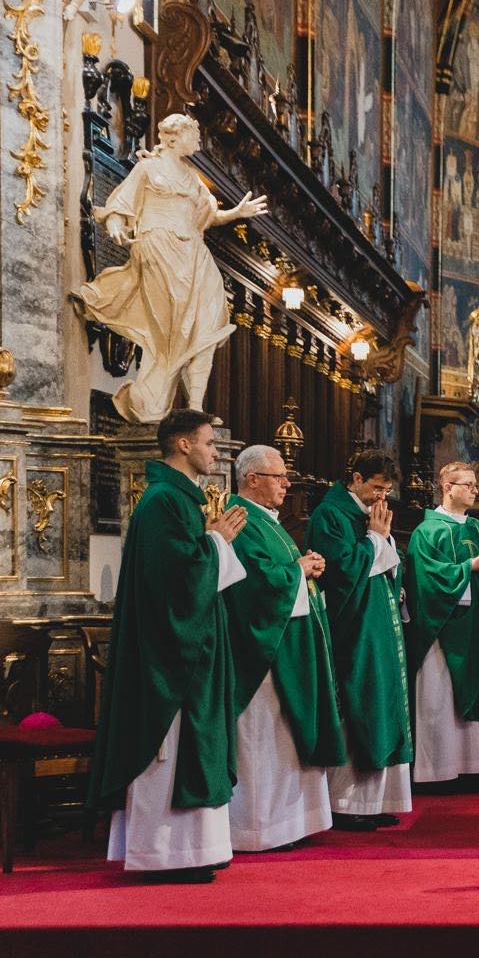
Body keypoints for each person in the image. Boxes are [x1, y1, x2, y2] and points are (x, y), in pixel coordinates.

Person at [91, 409, 249, 882]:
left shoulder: (181, 499)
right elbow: (174, 579)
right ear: (182, 445)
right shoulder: (163, 501)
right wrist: (216, 542)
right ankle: (164, 852)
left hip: (193, 642)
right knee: (174, 746)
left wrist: (212, 542)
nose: (215, 452)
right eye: (208, 443)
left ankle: (194, 849)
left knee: (194, 744)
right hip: (172, 653)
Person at [69, 114, 266, 423]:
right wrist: (118, 224)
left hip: (193, 251)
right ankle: (153, 403)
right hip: (158, 246)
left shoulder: (192, 177)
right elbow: (122, 203)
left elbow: (207, 216)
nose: (198, 142)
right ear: (175, 137)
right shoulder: (148, 169)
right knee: (172, 329)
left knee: (208, 320)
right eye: (195, 135)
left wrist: (234, 214)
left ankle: (195, 408)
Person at [223, 444, 347, 852]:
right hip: (263, 655)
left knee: (283, 737)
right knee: (263, 739)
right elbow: (253, 584)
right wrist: (299, 569)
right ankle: (258, 827)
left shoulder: (267, 521)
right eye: (279, 476)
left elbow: (274, 572)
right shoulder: (241, 518)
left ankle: (287, 822)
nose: (287, 483)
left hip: (286, 647)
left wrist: (302, 566)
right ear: (252, 479)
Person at [304, 449, 413, 831]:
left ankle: (375, 801)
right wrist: (375, 538)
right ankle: (347, 802)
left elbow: (384, 564)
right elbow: (341, 573)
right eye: (376, 488)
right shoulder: (330, 515)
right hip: (352, 625)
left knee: (381, 701)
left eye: (386, 490)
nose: (381, 497)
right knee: (358, 701)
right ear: (355, 477)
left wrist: (382, 546)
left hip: (378, 621)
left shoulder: (368, 514)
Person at [405, 462, 479, 785]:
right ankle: (439, 769)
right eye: (467, 484)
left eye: (475, 485)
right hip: (445, 627)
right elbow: (425, 577)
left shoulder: (478, 529)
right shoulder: (427, 531)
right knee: (441, 694)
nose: (474, 490)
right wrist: (467, 567)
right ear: (447, 487)